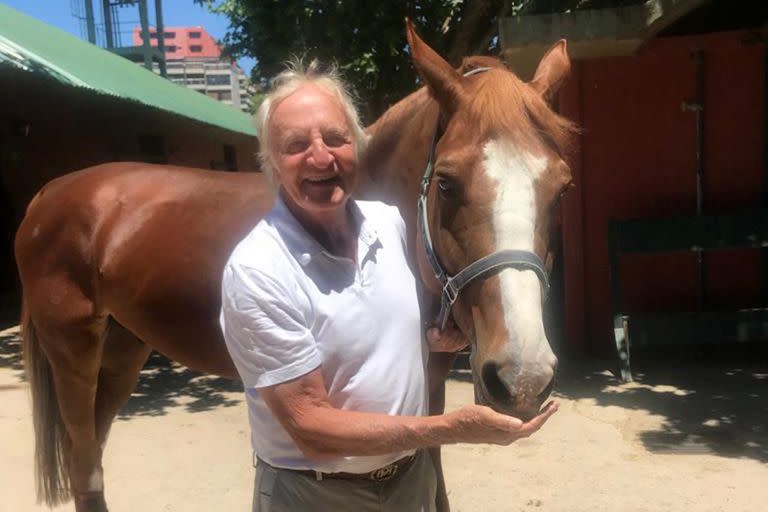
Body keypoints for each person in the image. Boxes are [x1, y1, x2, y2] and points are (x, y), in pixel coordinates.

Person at [219, 61, 558, 512]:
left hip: (408, 483)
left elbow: (375, 336)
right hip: (316, 493)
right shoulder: (257, 269)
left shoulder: (388, 224)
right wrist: (450, 428)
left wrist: (435, 342)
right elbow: (311, 427)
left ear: (357, 145)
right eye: (296, 145)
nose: (320, 157)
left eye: (335, 139)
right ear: (271, 161)